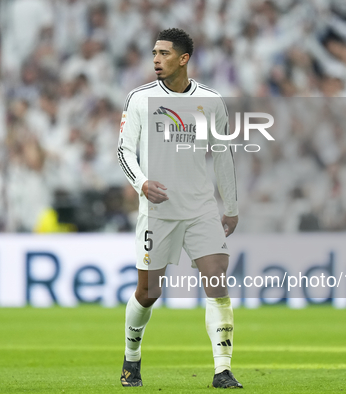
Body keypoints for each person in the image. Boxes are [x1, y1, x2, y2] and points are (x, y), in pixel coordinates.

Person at [117, 28, 241, 389]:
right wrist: (141, 183)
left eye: (164, 54)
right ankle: (132, 358)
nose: (156, 59)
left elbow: (222, 154)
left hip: (201, 207)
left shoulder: (211, 101)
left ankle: (222, 370)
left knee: (217, 278)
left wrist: (230, 207)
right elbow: (124, 151)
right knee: (148, 293)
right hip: (158, 210)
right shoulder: (139, 98)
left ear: (184, 59)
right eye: (154, 53)